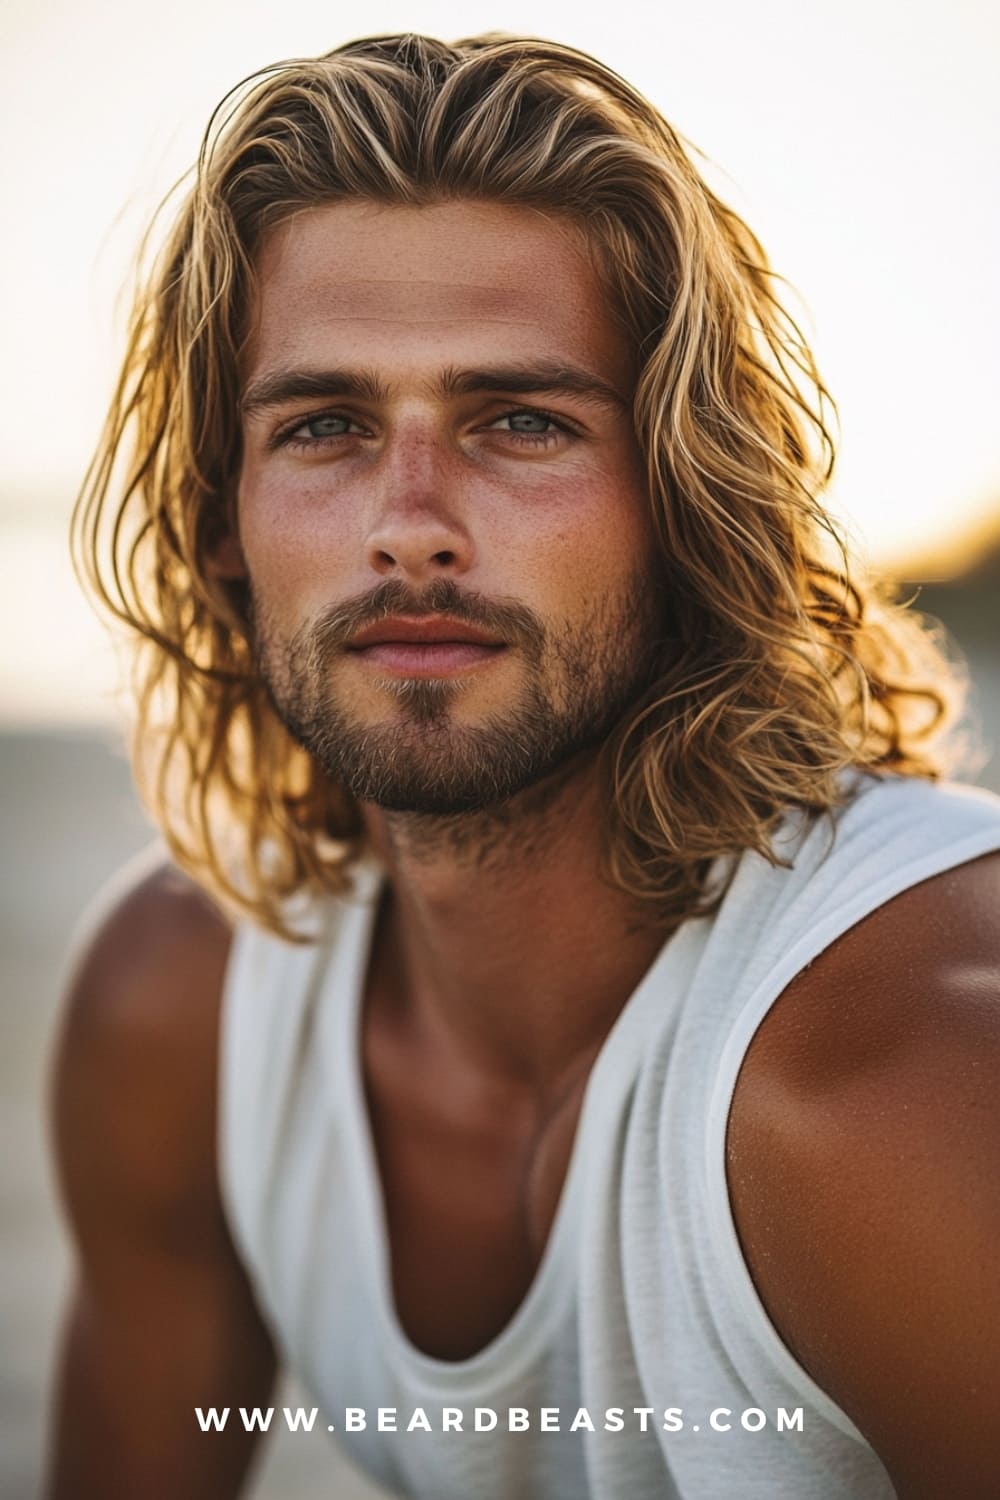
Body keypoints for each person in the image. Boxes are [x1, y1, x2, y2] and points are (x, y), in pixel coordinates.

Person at [45, 31, 1000, 1500]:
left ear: (677, 497)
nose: (411, 521)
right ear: (220, 518)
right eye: (325, 426)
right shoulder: (183, 1017)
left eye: (519, 420)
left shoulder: (896, 1088)